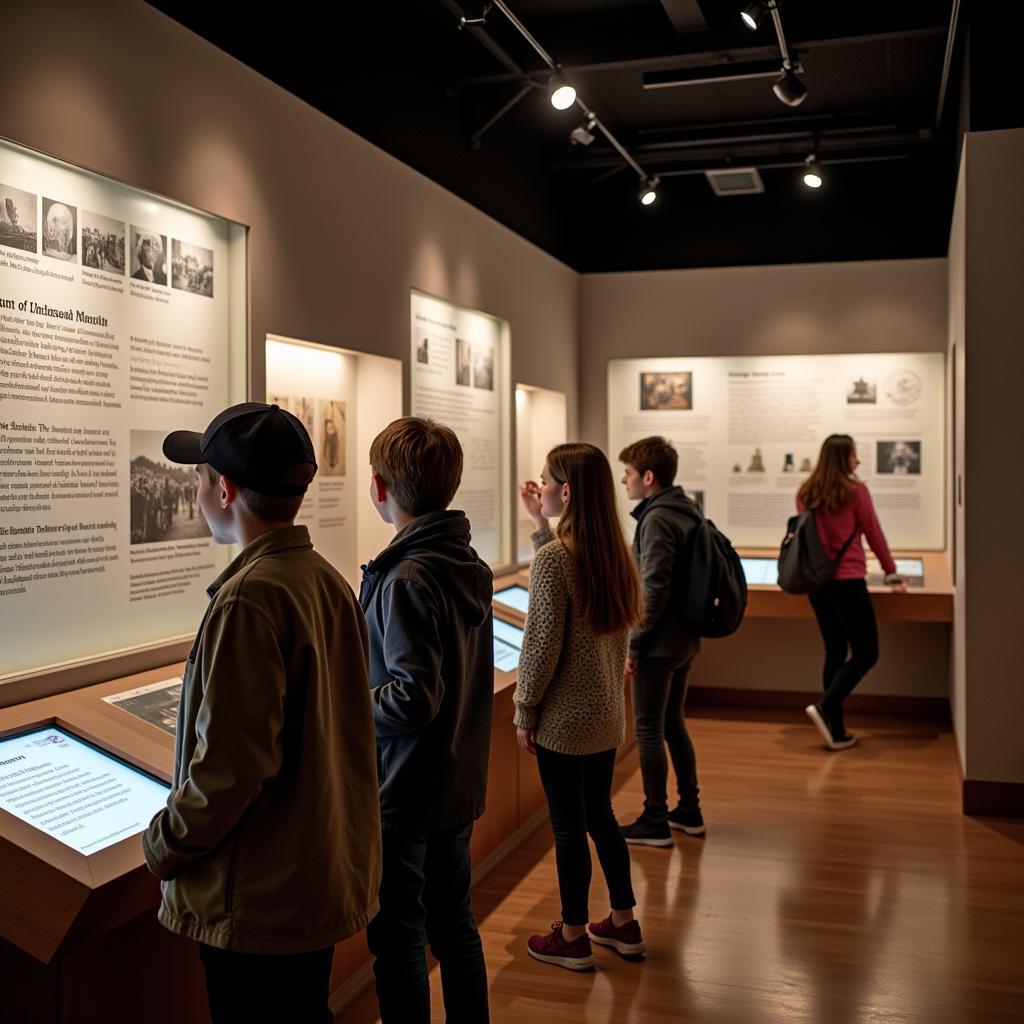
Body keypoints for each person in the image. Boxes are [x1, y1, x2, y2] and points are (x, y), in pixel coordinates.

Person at [142, 402, 381, 1024]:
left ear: (223, 489)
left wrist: (165, 844)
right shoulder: (324, 580)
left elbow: (231, 767)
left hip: (257, 899)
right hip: (308, 880)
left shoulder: (250, 599)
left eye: (200, 478)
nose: (196, 492)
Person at [360, 416, 494, 1023]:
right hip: (454, 778)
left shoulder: (408, 576)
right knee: (454, 925)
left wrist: (345, 708)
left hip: (407, 788)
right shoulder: (460, 560)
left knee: (400, 942)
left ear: (381, 487)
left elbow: (414, 697)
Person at [516, 442, 645, 971]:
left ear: (564, 491)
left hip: (564, 723)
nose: (539, 487)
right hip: (605, 715)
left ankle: (571, 935)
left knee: (568, 827)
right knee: (602, 817)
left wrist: (524, 709)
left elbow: (540, 646)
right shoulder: (612, 549)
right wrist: (538, 523)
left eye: (545, 481)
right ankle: (622, 920)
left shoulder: (554, 560)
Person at [617, 436, 706, 847]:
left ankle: (654, 818)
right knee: (673, 723)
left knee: (649, 729)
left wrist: (633, 646)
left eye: (629, 474)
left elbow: (653, 589)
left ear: (647, 476)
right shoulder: (686, 509)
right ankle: (688, 809)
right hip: (685, 638)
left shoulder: (656, 519)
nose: (624, 481)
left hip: (658, 643)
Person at [797, 433, 905, 751]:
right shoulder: (856, 491)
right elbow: (873, 532)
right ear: (844, 458)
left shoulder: (806, 492)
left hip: (817, 583)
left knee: (834, 650)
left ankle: (836, 731)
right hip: (848, 581)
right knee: (867, 652)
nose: (858, 461)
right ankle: (826, 706)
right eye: (854, 455)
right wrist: (891, 571)